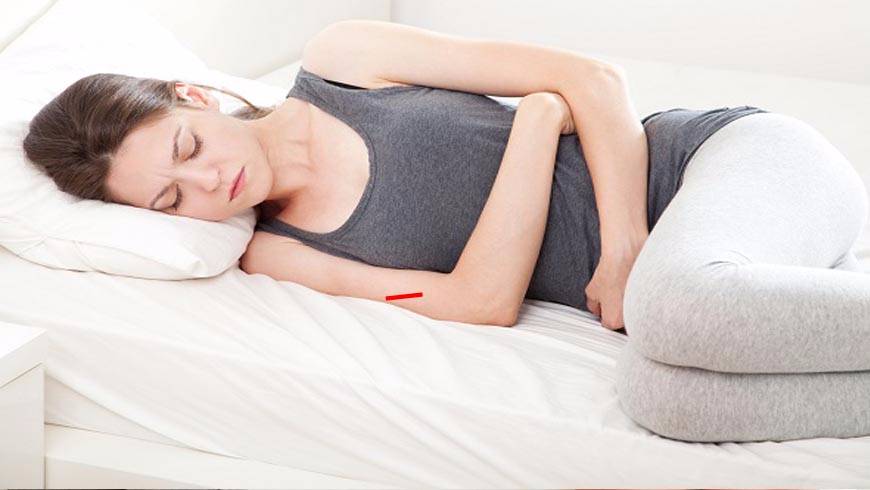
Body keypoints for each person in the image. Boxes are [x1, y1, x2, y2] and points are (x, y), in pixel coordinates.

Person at [22, 22, 869, 350]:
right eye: (173, 200)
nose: (210, 180)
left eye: (187, 145)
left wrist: (626, 251)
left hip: (719, 163)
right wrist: (534, 127)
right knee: (670, 402)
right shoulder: (281, 259)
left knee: (682, 310)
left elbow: (593, 79)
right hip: (695, 280)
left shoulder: (342, 64)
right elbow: (476, 304)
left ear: (195, 97)